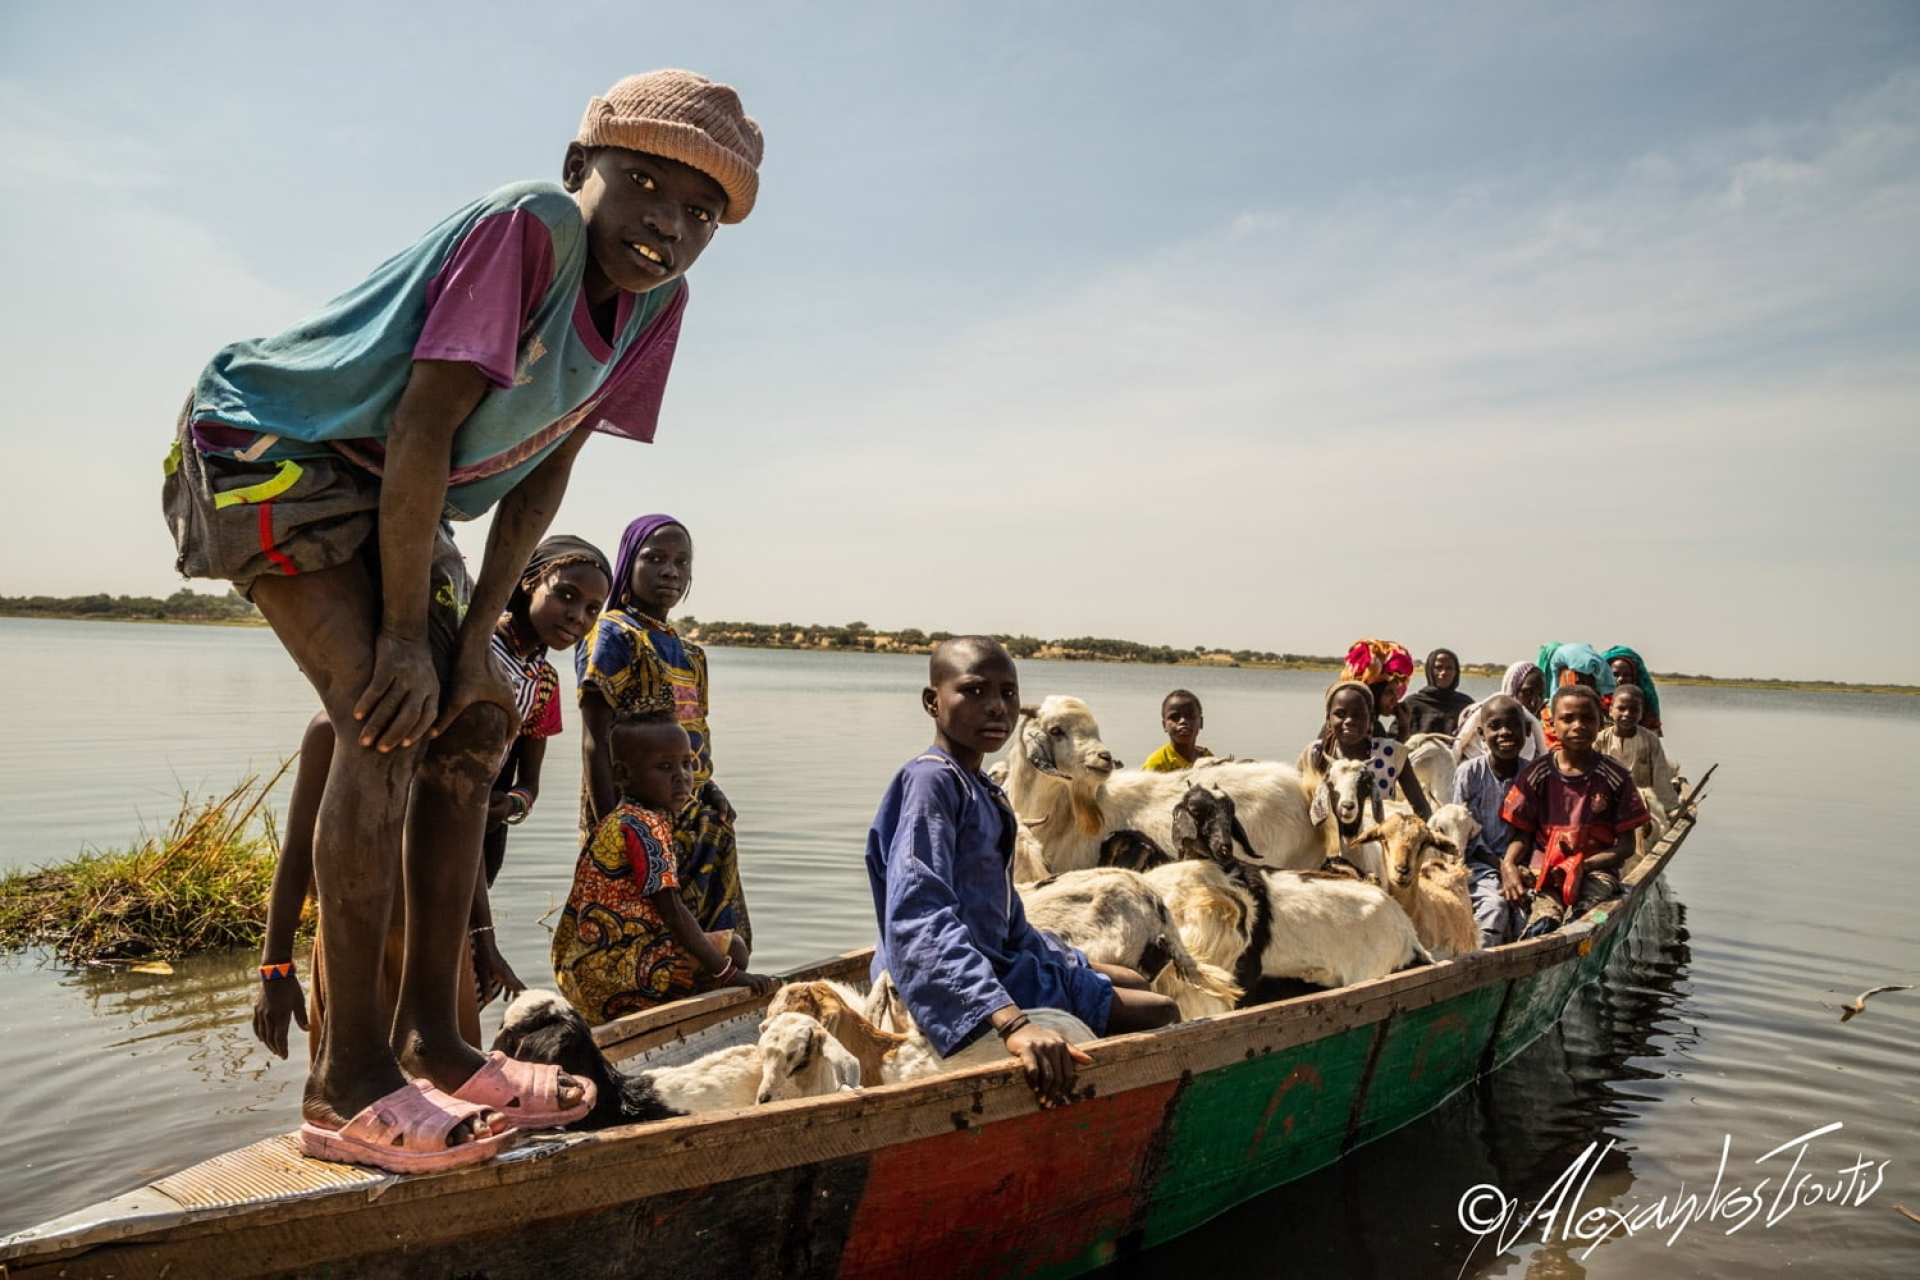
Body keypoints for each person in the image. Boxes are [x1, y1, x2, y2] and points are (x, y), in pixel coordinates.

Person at [170, 70, 764, 1171]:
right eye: (643, 183)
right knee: (384, 715)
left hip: (409, 493)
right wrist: (405, 640)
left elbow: (545, 474)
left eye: (699, 212)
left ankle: (434, 1044)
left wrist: (480, 644)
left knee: (477, 722)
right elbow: (424, 425)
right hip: (271, 447)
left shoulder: (658, 306)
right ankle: (347, 1083)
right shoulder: (531, 229)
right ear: (579, 168)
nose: (667, 225)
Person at [867, 637, 1179, 1106]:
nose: (996, 707)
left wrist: (1069, 961)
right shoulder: (932, 782)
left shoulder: (980, 786)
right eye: (974, 691)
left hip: (999, 958)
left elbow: (1007, 918)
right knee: (1162, 1011)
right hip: (954, 977)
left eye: (1008, 693)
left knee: (1133, 979)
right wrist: (1012, 1022)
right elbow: (920, 915)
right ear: (933, 702)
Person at [577, 514, 754, 987]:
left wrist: (710, 788)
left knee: (715, 945)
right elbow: (595, 739)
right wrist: (611, 829)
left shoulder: (691, 653)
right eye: (654, 558)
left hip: (694, 817)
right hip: (633, 815)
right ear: (627, 565)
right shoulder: (614, 634)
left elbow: (693, 736)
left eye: (681, 562)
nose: (670, 571)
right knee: (643, 937)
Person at [553, 707, 778, 1021]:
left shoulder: (613, 822)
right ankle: (684, 1016)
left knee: (706, 945)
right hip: (615, 978)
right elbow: (672, 911)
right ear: (623, 775)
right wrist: (728, 973)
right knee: (735, 949)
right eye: (664, 767)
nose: (681, 777)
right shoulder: (647, 827)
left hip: (577, 975)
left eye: (686, 764)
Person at [1500, 686, 1650, 939]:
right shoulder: (1537, 774)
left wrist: (1583, 865)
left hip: (1597, 874)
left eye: (1587, 718)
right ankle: (1538, 942)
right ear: (1552, 725)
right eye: (1568, 719)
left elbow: (1626, 846)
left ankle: (1588, 933)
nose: (1578, 726)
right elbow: (1523, 835)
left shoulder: (1616, 777)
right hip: (1548, 874)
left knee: (1590, 917)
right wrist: (1509, 865)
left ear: (1600, 723)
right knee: (1543, 920)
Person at [1450, 695, 1530, 947]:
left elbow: (1530, 830)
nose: (1505, 732)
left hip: (1522, 864)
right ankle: (1480, 961)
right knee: (1495, 906)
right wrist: (1502, 867)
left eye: (1513, 725)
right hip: (1478, 864)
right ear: (1481, 734)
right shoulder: (1470, 773)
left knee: (1526, 909)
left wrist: (1514, 868)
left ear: (1527, 730)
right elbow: (1463, 832)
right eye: (1495, 726)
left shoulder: (1531, 775)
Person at [1299, 681, 1432, 819]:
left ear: (1370, 720)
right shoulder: (1316, 753)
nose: (1349, 720)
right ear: (1328, 720)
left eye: (1358, 715)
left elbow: (1421, 807)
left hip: (1380, 831)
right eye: (1340, 714)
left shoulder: (1392, 753)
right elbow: (1296, 801)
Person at [1595, 685, 1680, 819]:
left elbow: (1660, 776)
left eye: (1634, 710)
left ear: (1641, 713)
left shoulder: (1651, 740)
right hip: (1608, 801)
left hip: (1643, 802)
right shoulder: (1600, 739)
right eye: (1621, 708)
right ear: (1610, 710)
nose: (1627, 714)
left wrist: (1670, 808)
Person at [1455, 661, 1548, 762]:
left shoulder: (1531, 731)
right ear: (1512, 688)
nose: (1535, 702)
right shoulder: (1482, 716)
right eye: (1528, 693)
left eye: (1540, 695)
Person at [1341, 638, 1416, 739]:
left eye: (1397, 691)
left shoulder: (1349, 722)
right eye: (1388, 692)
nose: (1396, 698)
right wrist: (1404, 730)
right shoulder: (1368, 728)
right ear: (1372, 693)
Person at [1401, 648, 1474, 736]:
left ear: (1456, 672)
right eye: (1438, 668)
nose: (1443, 673)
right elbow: (1396, 738)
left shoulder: (1466, 705)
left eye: (1449, 668)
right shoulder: (1412, 704)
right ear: (1430, 670)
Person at [1142, 690, 1212, 772]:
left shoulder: (1208, 759)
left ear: (1201, 722)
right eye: (1174, 717)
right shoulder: (1156, 764)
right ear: (1164, 725)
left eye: (1190, 716)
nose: (1183, 721)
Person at [1602, 645, 1665, 734]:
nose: (1621, 679)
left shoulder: (1644, 705)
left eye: (1627, 675)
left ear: (1634, 677)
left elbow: (1654, 737)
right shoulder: (1597, 704)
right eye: (1615, 674)